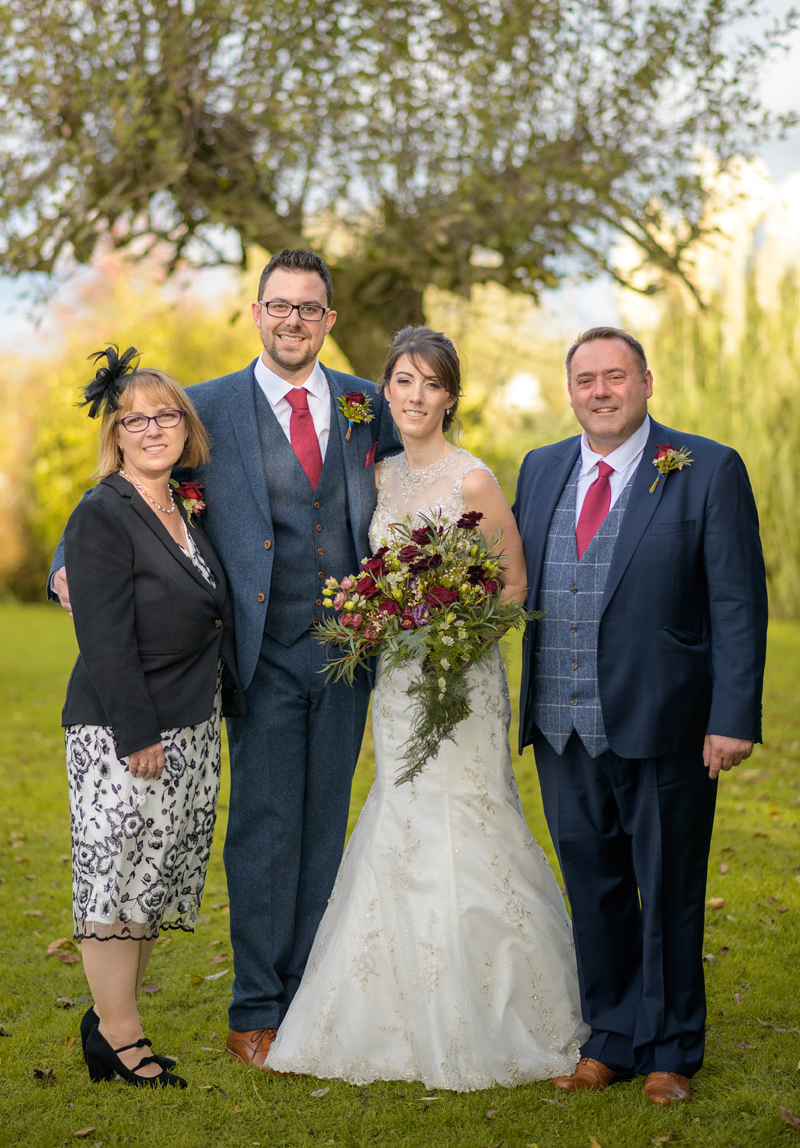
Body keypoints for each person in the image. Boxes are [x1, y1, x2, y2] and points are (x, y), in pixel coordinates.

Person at [51, 248, 399, 1071]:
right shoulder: (204, 407)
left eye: (309, 309)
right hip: (256, 656)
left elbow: (409, 482)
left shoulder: (366, 404)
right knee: (264, 829)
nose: (293, 321)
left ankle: (313, 997)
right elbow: (123, 489)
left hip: (347, 655)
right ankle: (255, 1008)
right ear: (257, 311)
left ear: (329, 320)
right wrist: (65, 559)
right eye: (279, 305)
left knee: (324, 828)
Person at [266, 326, 587, 1089]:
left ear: (450, 397)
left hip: (460, 677)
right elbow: (370, 571)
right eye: (403, 382)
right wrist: (380, 617)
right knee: (399, 812)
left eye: (431, 385)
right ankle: (389, 1004)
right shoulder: (376, 476)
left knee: (466, 815)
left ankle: (498, 1006)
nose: (415, 397)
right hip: (398, 683)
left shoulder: (473, 480)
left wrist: (457, 635)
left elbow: (512, 585)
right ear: (386, 391)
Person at [513, 327, 768, 1106]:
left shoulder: (707, 468)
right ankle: (611, 1039)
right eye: (585, 378)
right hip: (563, 725)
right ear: (570, 390)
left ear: (646, 382)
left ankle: (671, 1049)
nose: (600, 391)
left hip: (668, 721)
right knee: (593, 889)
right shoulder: (541, 467)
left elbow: (736, 602)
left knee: (669, 888)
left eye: (615, 376)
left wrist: (733, 715)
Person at [61, 349, 246, 1089]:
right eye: (135, 419)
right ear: (117, 434)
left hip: (191, 724)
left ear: (185, 425)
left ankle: (112, 1026)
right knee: (114, 879)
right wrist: (137, 732)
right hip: (124, 733)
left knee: (150, 881)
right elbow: (103, 637)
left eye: (165, 414)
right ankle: (122, 1036)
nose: (152, 429)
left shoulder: (180, 505)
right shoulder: (104, 510)